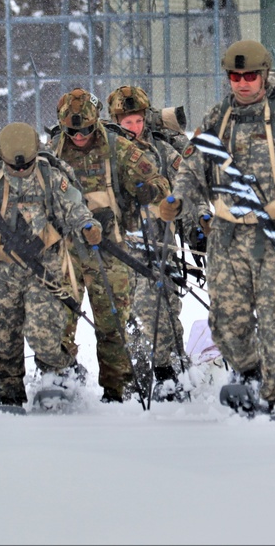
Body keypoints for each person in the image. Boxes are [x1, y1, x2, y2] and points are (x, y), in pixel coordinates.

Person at [158, 39, 275, 418]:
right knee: (226, 319)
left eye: (250, 76)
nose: (242, 83)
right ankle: (250, 375)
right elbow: (192, 165)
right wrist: (178, 198)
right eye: (235, 76)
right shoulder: (218, 116)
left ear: (264, 75)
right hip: (227, 232)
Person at [0, 122, 101, 411]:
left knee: (43, 333)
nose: (19, 170)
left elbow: (76, 207)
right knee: (1, 334)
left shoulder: (49, 177)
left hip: (44, 269)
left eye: (25, 166)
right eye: (13, 166)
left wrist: (89, 226)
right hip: (2, 270)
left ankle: (60, 374)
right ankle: (9, 393)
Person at [47, 88, 171, 404]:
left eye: (86, 129)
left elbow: (158, 183)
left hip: (110, 249)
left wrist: (148, 192)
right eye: (72, 131)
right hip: (66, 252)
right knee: (57, 319)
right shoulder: (53, 153)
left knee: (113, 324)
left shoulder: (118, 149)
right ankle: (59, 381)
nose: (79, 136)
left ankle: (116, 391)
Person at [107, 85, 194, 402]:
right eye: (125, 121)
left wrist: (195, 225)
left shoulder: (163, 151)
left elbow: (187, 187)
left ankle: (172, 374)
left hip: (159, 250)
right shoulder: (107, 155)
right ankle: (139, 380)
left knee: (162, 314)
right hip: (118, 252)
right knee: (127, 321)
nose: (132, 127)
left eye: (137, 120)